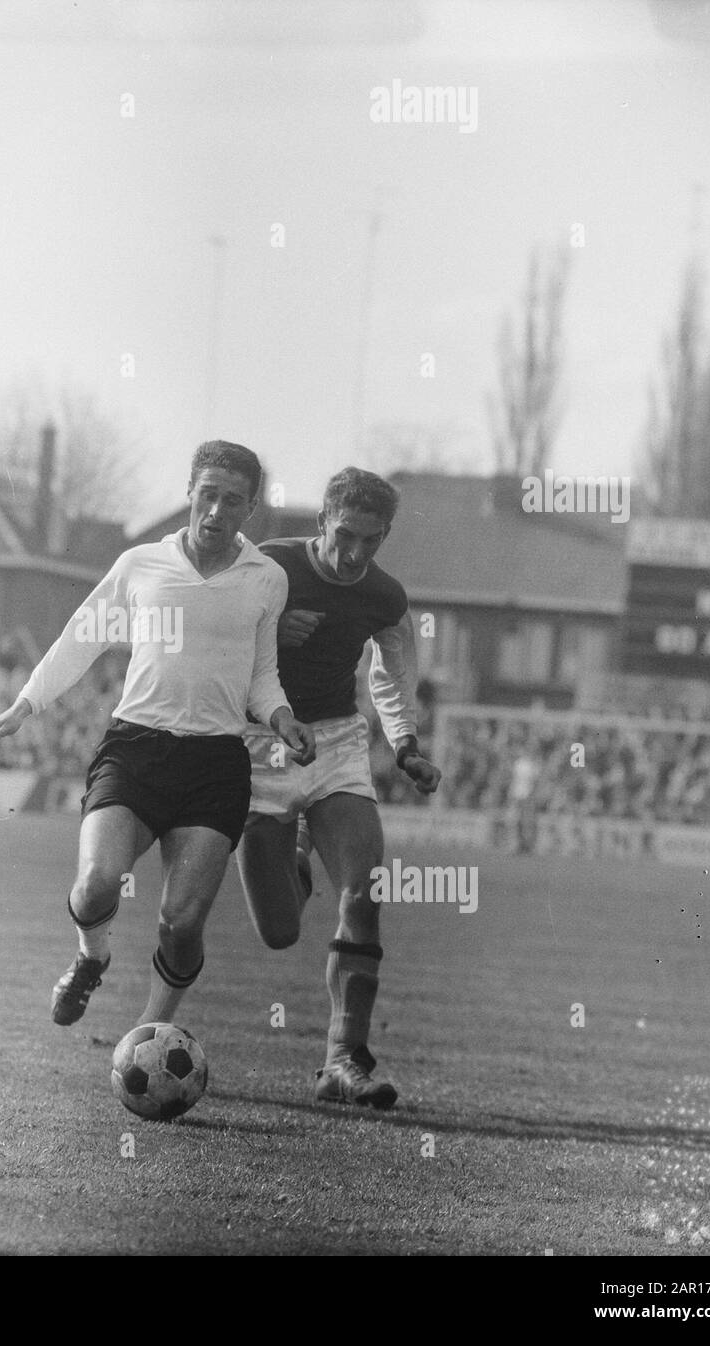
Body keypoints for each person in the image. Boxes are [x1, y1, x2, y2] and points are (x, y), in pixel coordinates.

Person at [0, 441, 316, 1029]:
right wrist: (24, 704)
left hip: (215, 765)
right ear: (189, 492)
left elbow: (262, 677)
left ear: (250, 509)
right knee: (95, 886)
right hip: (135, 750)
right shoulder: (138, 566)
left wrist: (283, 717)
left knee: (181, 923)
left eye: (231, 501)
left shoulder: (268, 580)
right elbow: (80, 639)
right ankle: (91, 957)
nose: (215, 511)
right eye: (206, 495)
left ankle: (147, 1034)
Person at [235, 468, 441, 1109]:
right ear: (322, 520)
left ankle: (343, 1061)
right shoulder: (268, 567)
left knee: (366, 886)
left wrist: (404, 743)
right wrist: (266, 632)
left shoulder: (385, 597)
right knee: (278, 931)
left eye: (371, 542)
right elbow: (212, 645)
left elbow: (394, 670)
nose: (354, 554)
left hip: (338, 745)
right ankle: (294, 865)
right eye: (345, 535)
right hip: (261, 746)